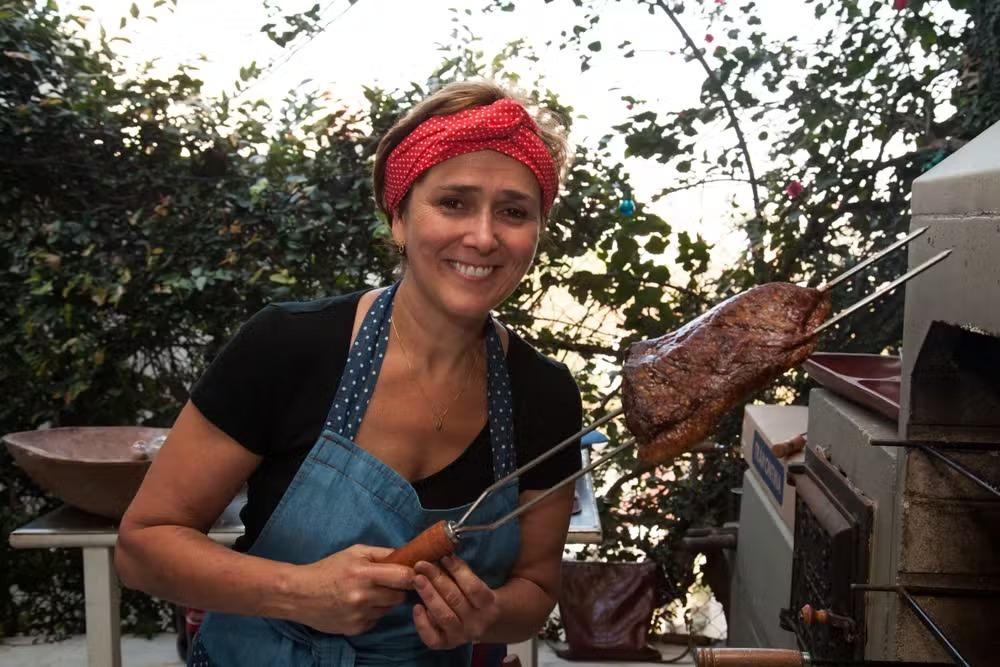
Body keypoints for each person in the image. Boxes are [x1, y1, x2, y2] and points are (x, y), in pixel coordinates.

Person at [115, 80, 584, 666]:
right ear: (399, 218)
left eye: (513, 212)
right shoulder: (290, 347)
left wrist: (485, 615)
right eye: (454, 202)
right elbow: (142, 547)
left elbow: (536, 589)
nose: (484, 236)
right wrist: (298, 592)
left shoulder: (543, 396)